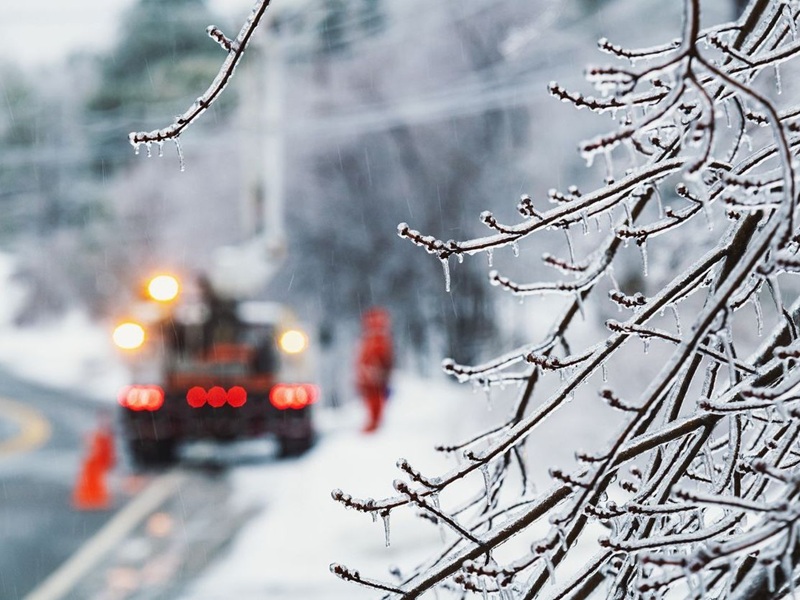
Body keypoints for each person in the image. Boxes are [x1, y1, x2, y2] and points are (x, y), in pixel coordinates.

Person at [355, 307, 393, 433]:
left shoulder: (378, 340)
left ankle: (375, 423)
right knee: (372, 400)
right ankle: (374, 422)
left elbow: (382, 360)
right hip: (370, 378)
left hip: (373, 379)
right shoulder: (370, 339)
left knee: (375, 400)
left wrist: (373, 371)